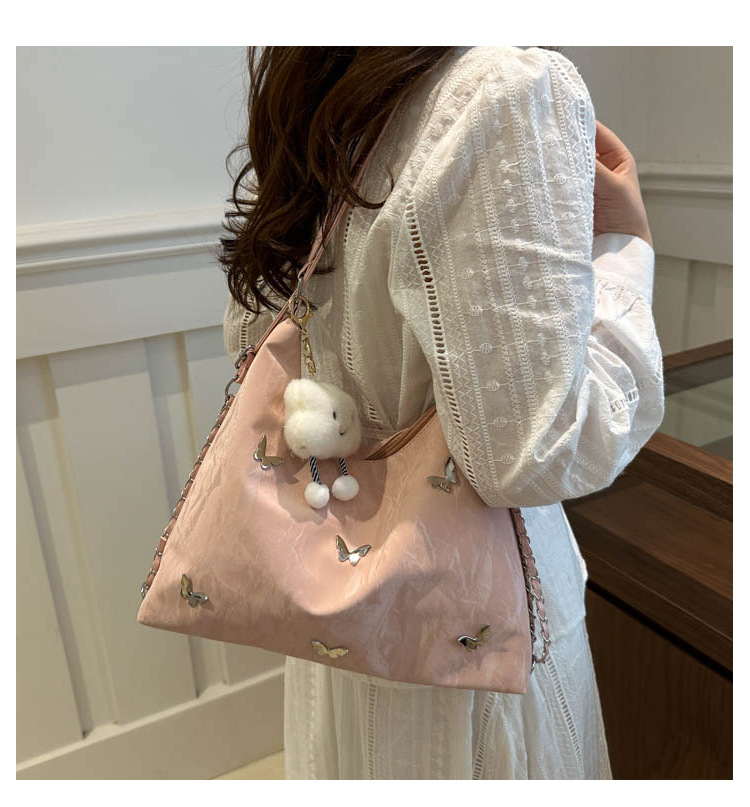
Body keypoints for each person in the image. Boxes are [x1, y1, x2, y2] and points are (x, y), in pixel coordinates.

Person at [221, 45, 664, 780]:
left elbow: (253, 343)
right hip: (471, 647)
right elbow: (541, 450)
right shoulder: (504, 88)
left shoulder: (317, 80)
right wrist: (626, 248)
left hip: (337, 609)